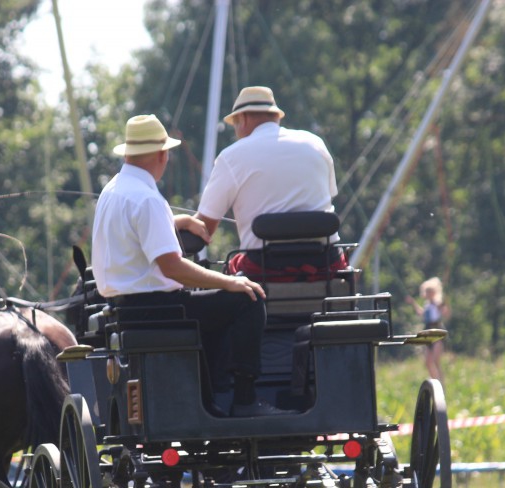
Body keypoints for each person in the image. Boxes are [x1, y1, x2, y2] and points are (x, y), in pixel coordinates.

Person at [91, 113, 287, 417]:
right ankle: (245, 400)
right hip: (158, 309)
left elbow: (133, 231)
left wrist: (175, 220)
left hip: (126, 309)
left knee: (215, 304)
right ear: (162, 155)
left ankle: (210, 397)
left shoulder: (114, 190)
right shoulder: (147, 199)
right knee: (247, 299)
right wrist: (229, 281)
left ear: (128, 154)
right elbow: (173, 268)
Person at [191, 85, 345, 276]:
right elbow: (326, 199)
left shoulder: (231, 156)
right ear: (277, 117)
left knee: (228, 273)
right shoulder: (315, 144)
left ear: (243, 119)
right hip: (326, 265)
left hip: (265, 270)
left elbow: (203, 228)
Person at [406, 276, 449, 383]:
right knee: (428, 362)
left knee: (435, 361)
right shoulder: (428, 305)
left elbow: (445, 312)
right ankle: (434, 380)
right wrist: (413, 303)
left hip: (437, 331)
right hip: (428, 330)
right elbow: (421, 313)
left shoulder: (437, 303)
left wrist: (442, 304)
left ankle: (440, 383)